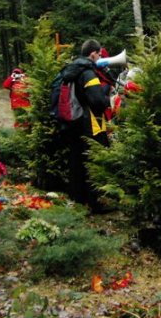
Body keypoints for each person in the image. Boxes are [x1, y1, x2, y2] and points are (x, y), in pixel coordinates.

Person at [61, 39, 111, 211]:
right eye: (99, 54)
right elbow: (97, 101)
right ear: (93, 53)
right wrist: (109, 98)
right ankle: (95, 202)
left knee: (77, 160)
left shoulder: (72, 70)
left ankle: (79, 200)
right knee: (94, 161)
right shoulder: (89, 73)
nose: (100, 58)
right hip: (91, 124)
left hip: (74, 122)